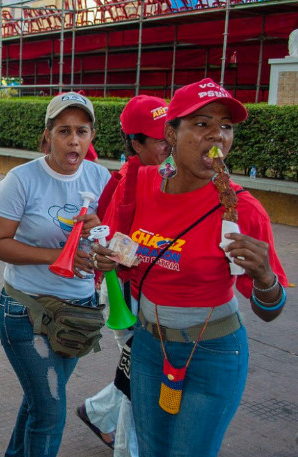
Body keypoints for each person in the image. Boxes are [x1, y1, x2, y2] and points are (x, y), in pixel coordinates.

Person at [91, 78, 288, 457]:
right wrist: (103, 257)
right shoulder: (140, 184)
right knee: (150, 449)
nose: (217, 136)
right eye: (201, 124)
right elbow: (120, 254)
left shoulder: (244, 211)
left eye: (225, 126)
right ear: (171, 133)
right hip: (149, 345)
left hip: (214, 352)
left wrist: (263, 276)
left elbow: (270, 309)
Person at [0, 92, 110, 457]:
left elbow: (111, 242)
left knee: (38, 403)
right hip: (27, 311)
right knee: (50, 410)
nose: (74, 141)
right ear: (47, 136)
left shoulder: (100, 177)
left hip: (78, 314)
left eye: (82, 132)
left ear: (91, 136)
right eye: (64, 131)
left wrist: (100, 231)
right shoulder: (21, 180)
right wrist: (59, 255)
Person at [76, 95, 170, 457]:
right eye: (159, 137)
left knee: (138, 371)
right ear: (136, 142)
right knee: (141, 384)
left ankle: (97, 413)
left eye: (171, 132)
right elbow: (116, 251)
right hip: (129, 296)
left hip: (158, 298)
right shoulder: (130, 181)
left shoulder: (172, 173)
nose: (169, 143)